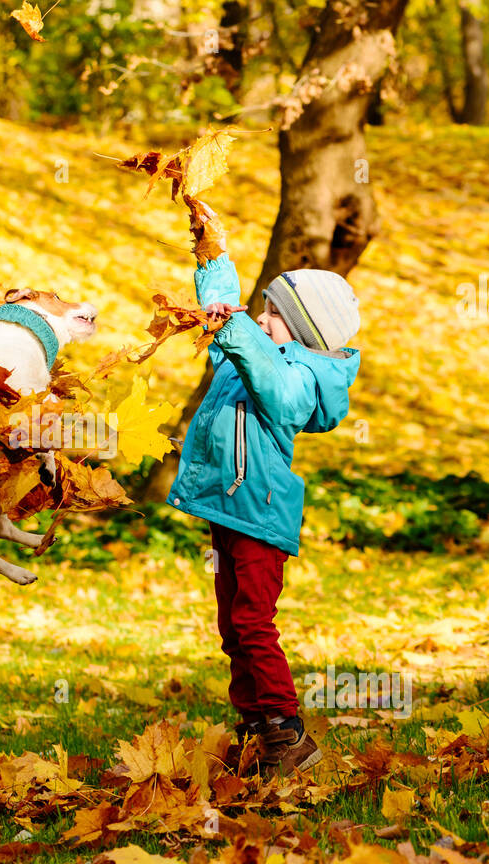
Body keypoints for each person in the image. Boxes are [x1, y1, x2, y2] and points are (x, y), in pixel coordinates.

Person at [167, 214, 362, 777]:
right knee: (233, 626)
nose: (261, 317)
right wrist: (211, 260)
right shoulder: (254, 354)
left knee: (254, 622)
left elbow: (272, 386)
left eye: (274, 314)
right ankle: (255, 730)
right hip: (229, 509)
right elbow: (232, 329)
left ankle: (287, 731)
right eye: (264, 308)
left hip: (259, 516)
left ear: (303, 332)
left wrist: (239, 330)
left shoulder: (299, 377)